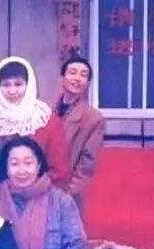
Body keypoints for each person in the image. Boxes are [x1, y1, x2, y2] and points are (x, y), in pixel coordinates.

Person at [0, 56, 69, 187]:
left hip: (41, 194)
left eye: (18, 84)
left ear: (29, 84)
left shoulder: (45, 119)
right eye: (6, 85)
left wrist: (34, 189)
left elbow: (59, 170)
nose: (12, 91)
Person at [52, 56, 105, 211]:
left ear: (87, 83)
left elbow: (87, 163)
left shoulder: (93, 118)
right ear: (62, 77)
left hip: (68, 191)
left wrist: (69, 193)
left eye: (83, 75)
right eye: (72, 72)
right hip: (42, 189)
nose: (77, 78)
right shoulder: (45, 111)